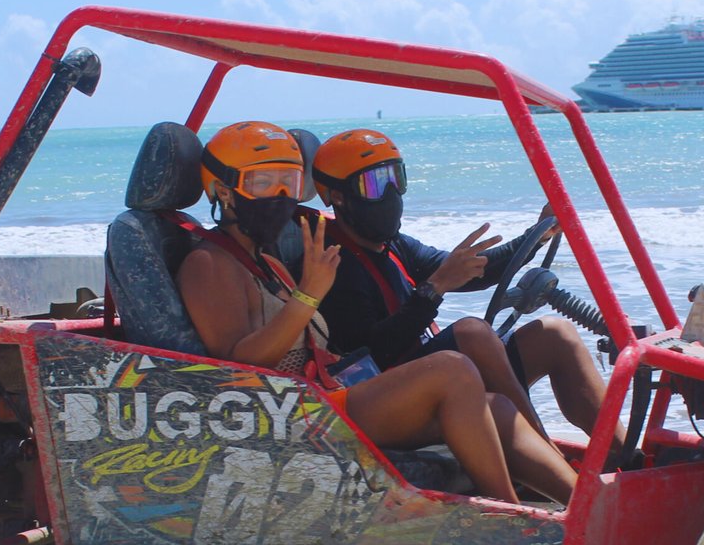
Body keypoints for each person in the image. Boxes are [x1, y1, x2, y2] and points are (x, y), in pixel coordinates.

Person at [174, 121, 577, 506]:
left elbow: (474, 271)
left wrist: (535, 233)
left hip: (319, 395)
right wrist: (308, 298)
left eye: (290, 182)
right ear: (223, 192)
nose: (281, 195)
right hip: (289, 418)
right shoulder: (209, 264)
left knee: (497, 407)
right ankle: (509, 521)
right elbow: (238, 366)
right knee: (453, 365)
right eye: (262, 183)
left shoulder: (263, 259)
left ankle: (579, 508)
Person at [303, 129, 623, 455]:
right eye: (373, 184)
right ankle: (547, 452)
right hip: (390, 397)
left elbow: (475, 270)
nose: (389, 194)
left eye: (394, 179)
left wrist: (537, 235)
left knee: (555, 334)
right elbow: (374, 353)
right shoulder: (331, 259)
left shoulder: (393, 245)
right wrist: (434, 288)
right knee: (472, 332)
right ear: (338, 197)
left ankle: (625, 455)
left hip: (433, 372)